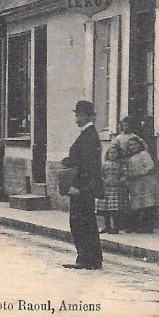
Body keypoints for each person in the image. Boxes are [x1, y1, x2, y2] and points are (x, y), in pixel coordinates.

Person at [61, 100, 104, 270]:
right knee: (87, 222)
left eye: (78, 115)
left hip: (81, 188)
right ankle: (91, 258)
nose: (76, 119)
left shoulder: (88, 136)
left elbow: (87, 166)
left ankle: (86, 258)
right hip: (85, 187)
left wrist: (76, 186)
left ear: (87, 115)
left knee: (80, 222)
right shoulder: (89, 135)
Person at [122, 135, 159, 234]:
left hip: (146, 182)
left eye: (135, 144)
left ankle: (148, 227)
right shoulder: (130, 157)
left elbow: (150, 167)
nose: (133, 147)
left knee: (147, 204)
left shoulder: (144, 154)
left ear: (139, 145)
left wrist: (140, 173)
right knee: (137, 205)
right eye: (130, 145)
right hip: (135, 184)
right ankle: (138, 226)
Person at [96, 145, 128, 235]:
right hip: (106, 188)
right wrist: (104, 180)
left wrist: (119, 181)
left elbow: (125, 175)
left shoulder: (121, 164)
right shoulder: (104, 164)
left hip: (117, 189)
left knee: (115, 209)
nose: (112, 155)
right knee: (105, 209)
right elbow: (100, 175)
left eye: (114, 153)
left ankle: (115, 227)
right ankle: (107, 226)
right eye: (110, 153)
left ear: (118, 154)